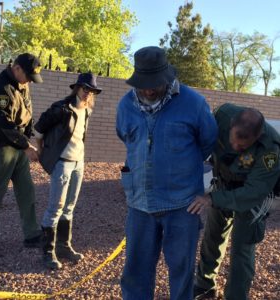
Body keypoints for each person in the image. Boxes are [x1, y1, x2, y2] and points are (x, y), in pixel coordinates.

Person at [116, 46, 218, 300]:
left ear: (167, 79)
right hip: (139, 203)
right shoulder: (126, 105)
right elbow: (125, 137)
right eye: (143, 85)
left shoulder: (193, 103)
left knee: (181, 273)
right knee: (135, 272)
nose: (148, 90)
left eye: (154, 84)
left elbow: (209, 143)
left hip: (182, 205)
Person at [188, 103, 280, 300]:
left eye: (243, 146)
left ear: (258, 136)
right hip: (223, 182)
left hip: (253, 196)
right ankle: (204, 285)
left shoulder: (270, 148)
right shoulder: (221, 116)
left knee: (242, 247)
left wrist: (212, 198)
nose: (237, 147)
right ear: (230, 126)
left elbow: (253, 192)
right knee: (213, 236)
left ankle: (236, 296)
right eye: (235, 140)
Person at [34, 72, 102, 269]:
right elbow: (39, 129)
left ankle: (64, 246)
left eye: (92, 91)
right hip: (62, 163)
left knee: (69, 207)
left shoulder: (86, 110)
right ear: (77, 88)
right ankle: (48, 252)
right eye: (86, 89)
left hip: (78, 163)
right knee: (55, 207)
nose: (88, 93)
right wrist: (41, 150)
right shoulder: (61, 109)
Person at [0, 53, 43, 256]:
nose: (29, 81)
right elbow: (3, 126)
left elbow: (27, 114)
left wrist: (29, 140)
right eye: (28, 76)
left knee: (26, 192)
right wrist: (27, 147)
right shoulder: (1, 88)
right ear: (16, 68)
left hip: (18, 149)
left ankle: (32, 234)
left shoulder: (21, 84)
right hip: (1, 150)